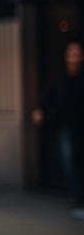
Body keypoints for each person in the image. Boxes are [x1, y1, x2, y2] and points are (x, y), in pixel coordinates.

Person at [32, 41, 84, 209]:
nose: (74, 58)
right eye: (71, 55)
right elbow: (46, 96)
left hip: (81, 126)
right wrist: (39, 110)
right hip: (65, 127)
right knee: (68, 158)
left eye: (77, 55)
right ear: (66, 57)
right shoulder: (59, 78)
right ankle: (75, 193)